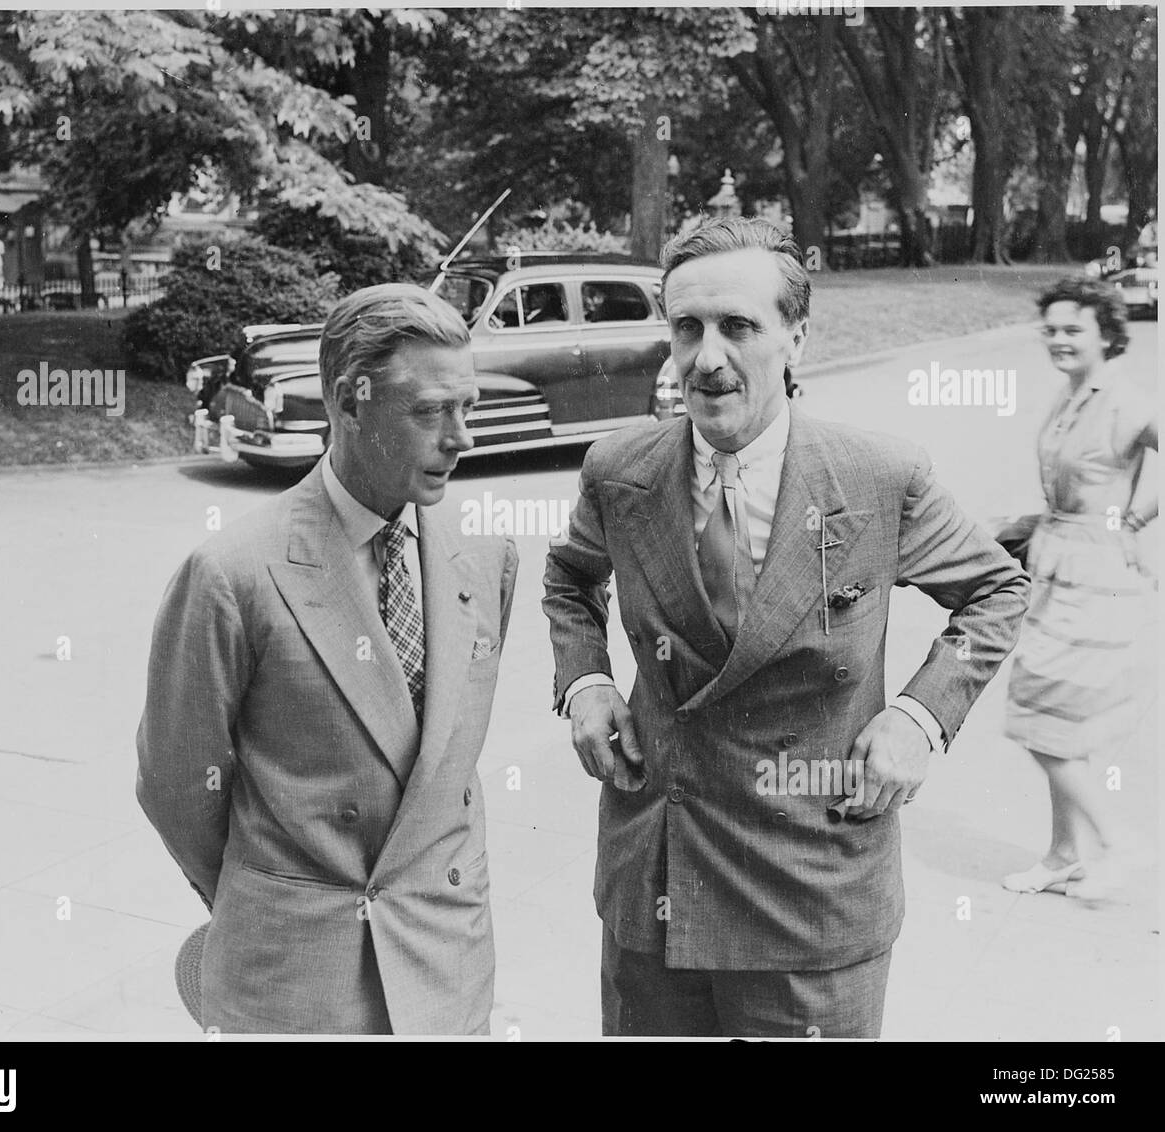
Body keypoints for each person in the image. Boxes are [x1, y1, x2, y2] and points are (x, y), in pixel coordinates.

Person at [542, 217, 1030, 1038]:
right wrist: (585, 683)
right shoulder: (620, 472)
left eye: (738, 326)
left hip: (814, 895)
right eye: (686, 327)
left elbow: (997, 590)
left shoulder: (878, 478)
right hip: (659, 885)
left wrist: (921, 718)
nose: (707, 357)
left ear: (795, 337)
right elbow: (568, 579)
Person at [137, 284, 518, 1034]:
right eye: (430, 411)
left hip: (448, 972)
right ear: (350, 401)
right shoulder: (233, 574)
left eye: (467, 407)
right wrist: (271, 897)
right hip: (295, 987)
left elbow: (444, 777)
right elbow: (177, 785)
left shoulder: (486, 561)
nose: (461, 437)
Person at [1001, 277, 1157, 900]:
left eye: (1074, 330)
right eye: (1052, 329)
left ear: (1106, 335)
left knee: (1040, 722)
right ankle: (1065, 855)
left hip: (1095, 579)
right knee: (1055, 720)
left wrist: (1140, 517)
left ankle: (1118, 841)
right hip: (1057, 566)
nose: (1059, 340)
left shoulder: (1121, 398)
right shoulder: (1072, 394)